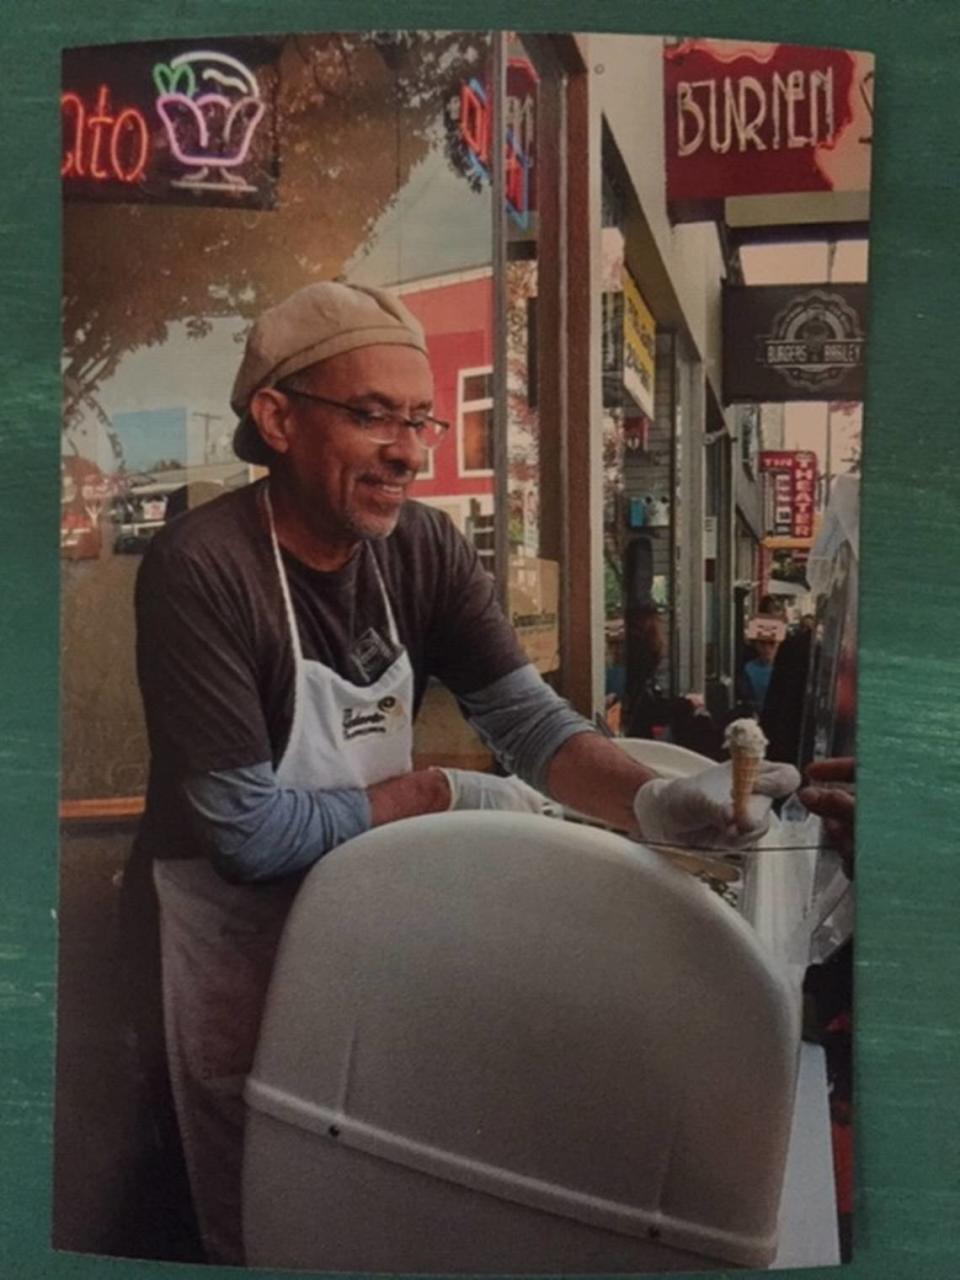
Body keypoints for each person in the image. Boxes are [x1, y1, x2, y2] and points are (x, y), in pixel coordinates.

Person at [124, 281, 800, 1264]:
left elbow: (525, 720)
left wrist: (650, 800)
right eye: (371, 416)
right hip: (220, 933)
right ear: (275, 418)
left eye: (421, 421)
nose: (408, 450)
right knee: (249, 1198)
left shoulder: (425, 548)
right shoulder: (205, 568)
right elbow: (248, 832)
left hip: (358, 908)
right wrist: (440, 792)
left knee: (350, 1161)